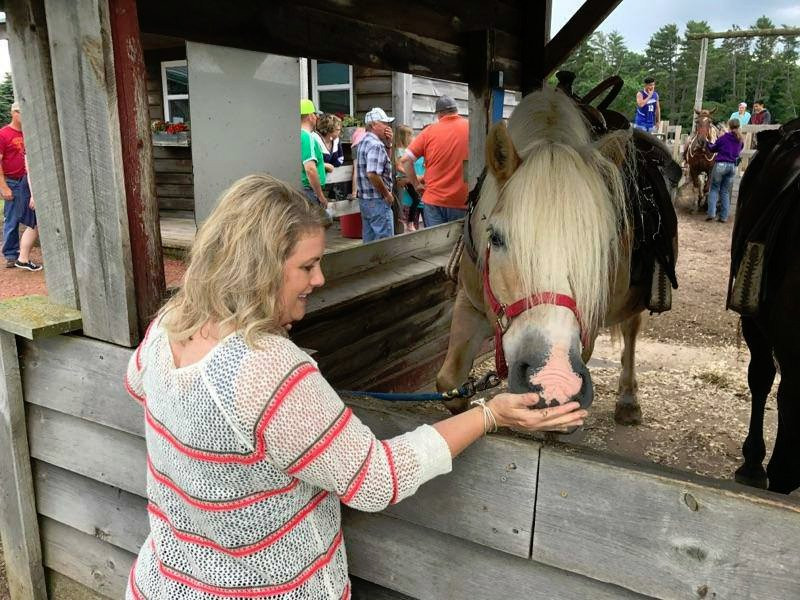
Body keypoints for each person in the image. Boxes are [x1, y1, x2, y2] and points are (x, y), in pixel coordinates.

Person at [123, 174, 586, 600]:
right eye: (307, 266)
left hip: (163, 581)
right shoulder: (269, 369)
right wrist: (490, 414)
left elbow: (138, 384)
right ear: (260, 267)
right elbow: (375, 480)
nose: (320, 279)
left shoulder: (168, 323)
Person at [400, 95, 469, 226]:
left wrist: (416, 185)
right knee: (459, 244)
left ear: (439, 114)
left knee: (436, 244)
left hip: (434, 200)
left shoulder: (429, 131)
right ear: (456, 111)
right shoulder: (471, 129)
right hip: (462, 201)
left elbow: (405, 160)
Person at [0, 102, 42, 271]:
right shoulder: (3, 134)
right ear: (13, 113)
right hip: (12, 180)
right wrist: (3, 187)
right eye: (20, 112)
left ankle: (22, 255)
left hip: (26, 181)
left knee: (30, 216)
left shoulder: (28, 133)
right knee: (12, 219)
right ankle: (11, 255)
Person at [356, 107, 395, 241]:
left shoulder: (363, 142)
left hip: (365, 200)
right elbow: (372, 173)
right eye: (384, 123)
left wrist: (388, 144)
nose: (387, 126)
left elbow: (383, 164)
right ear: (373, 125)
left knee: (369, 241)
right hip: (377, 200)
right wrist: (387, 194)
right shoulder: (375, 145)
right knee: (385, 243)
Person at [705, 118, 744, 223]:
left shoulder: (724, 138)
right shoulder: (740, 139)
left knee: (714, 189)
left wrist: (707, 143)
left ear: (729, 126)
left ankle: (711, 214)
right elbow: (740, 149)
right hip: (732, 167)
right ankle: (723, 217)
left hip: (721, 165)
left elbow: (713, 148)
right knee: (725, 191)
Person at [299, 99, 329, 209]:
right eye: (315, 115)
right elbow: (310, 169)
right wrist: (321, 196)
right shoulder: (307, 138)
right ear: (310, 116)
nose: (317, 118)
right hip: (308, 190)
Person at [395, 124, 424, 232]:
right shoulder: (399, 151)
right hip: (405, 179)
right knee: (416, 199)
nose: (413, 138)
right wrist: (410, 174)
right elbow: (398, 166)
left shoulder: (407, 150)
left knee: (416, 199)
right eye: (410, 136)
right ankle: (409, 223)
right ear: (404, 137)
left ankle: (409, 222)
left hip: (409, 178)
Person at [349, 126, 366, 198]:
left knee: (356, 170)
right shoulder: (366, 131)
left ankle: (354, 193)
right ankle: (363, 192)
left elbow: (351, 141)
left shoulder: (355, 132)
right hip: (364, 145)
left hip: (355, 147)